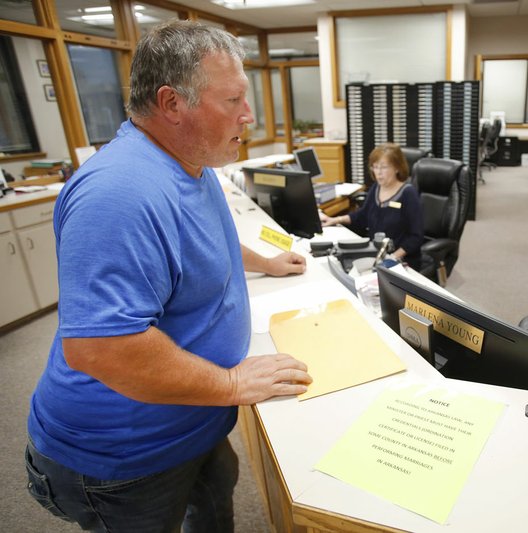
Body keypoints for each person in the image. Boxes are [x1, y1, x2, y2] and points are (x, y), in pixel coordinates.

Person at [25, 21, 313, 532]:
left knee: (214, 504)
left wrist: (264, 263)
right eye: (233, 101)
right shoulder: (120, 193)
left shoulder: (187, 161)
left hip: (193, 418)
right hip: (126, 457)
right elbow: (101, 349)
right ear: (173, 104)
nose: (249, 116)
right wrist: (229, 381)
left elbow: (201, 243)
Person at [320, 143, 424, 270]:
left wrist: (392, 258)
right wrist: (335, 220)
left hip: (401, 261)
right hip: (376, 256)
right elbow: (362, 216)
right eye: (375, 167)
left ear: (397, 168)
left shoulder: (408, 193)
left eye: (384, 167)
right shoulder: (376, 188)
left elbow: (415, 237)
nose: (378, 173)